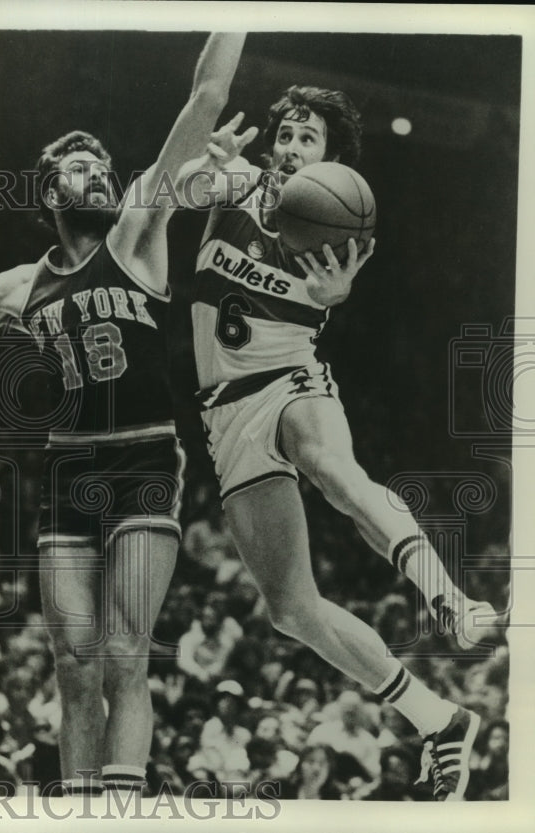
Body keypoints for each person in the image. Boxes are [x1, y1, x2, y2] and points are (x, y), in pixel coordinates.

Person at [181, 83, 495, 799]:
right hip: (223, 417)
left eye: (309, 138)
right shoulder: (240, 179)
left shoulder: (334, 227)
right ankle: (441, 720)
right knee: (291, 610)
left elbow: (329, 299)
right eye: (286, 134)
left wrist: (335, 298)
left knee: (331, 468)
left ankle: (449, 597)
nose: (292, 147)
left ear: (331, 161)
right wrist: (208, 162)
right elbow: (184, 191)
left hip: (290, 380)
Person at [0, 33, 248, 796]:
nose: (97, 172)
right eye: (79, 166)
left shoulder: (136, 229)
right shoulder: (12, 288)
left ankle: (122, 807)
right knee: (73, 662)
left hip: (142, 458)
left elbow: (205, 97)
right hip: (67, 465)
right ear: (48, 194)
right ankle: (79, 804)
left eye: (102, 164)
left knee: (126, 654)